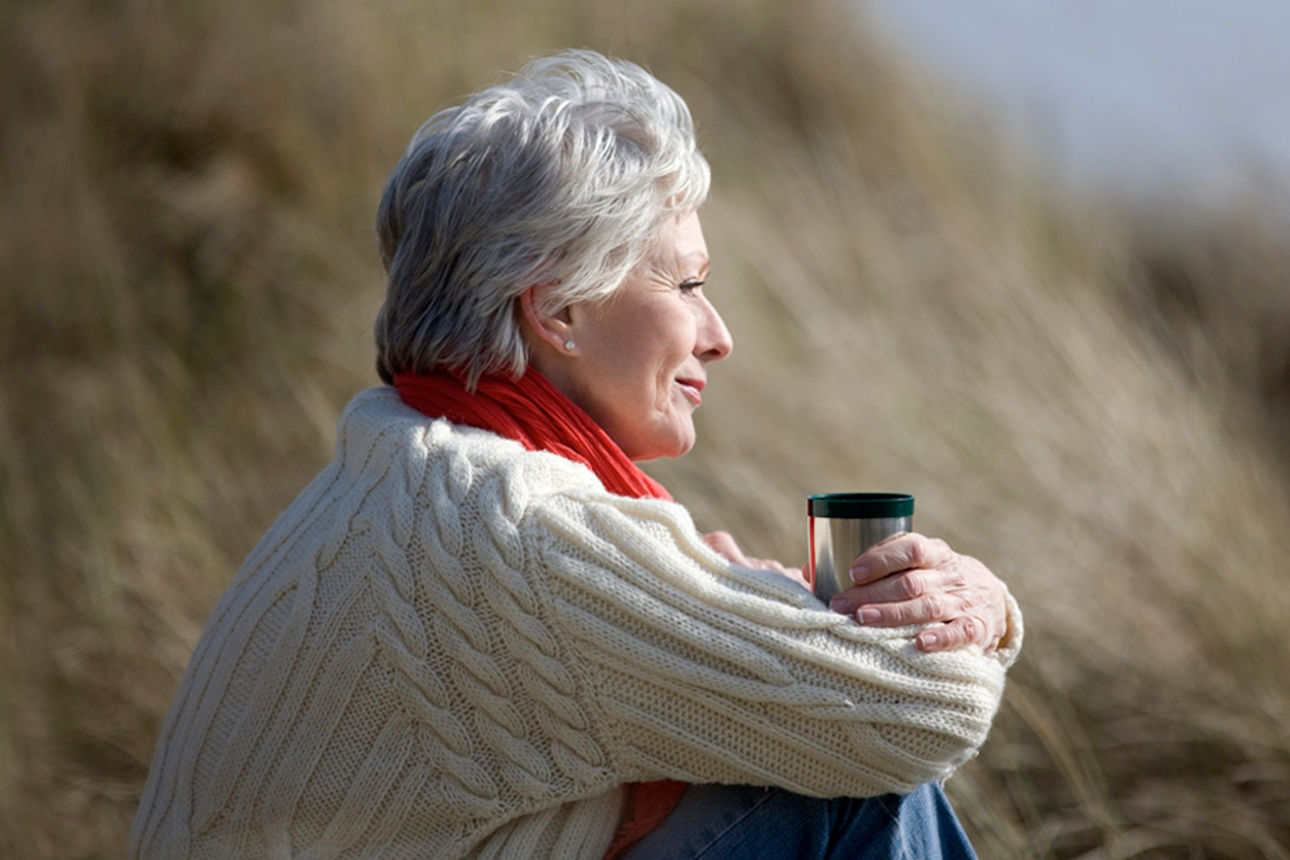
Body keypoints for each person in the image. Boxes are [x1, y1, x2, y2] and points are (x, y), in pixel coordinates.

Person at [131, 49, 1022, 859]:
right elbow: (916, 716)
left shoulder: (400, 459)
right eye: (687, 283)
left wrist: (744, 610)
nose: (719, 336)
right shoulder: (514, 525)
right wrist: (984, 610)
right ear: (557, 308)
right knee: (860, 792)